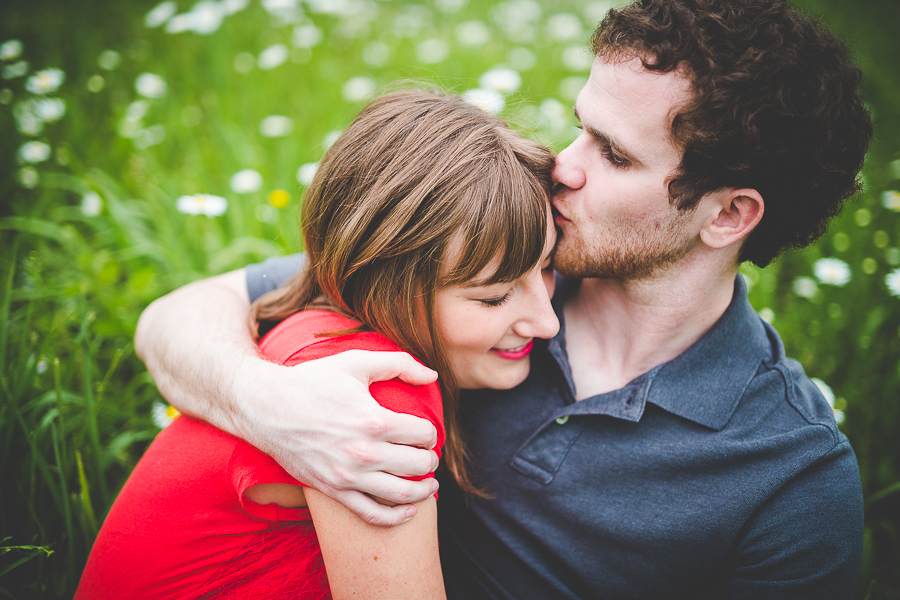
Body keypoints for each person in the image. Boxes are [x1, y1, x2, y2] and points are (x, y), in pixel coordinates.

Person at [135, 0, 873, 597]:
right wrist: (263, 402)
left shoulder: (792, 478)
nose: (563, 166)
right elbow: (176, 316)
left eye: (613, 153)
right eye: (581, 128)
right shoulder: (505, 258)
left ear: (727, 215)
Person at [75, 90, 559, 599]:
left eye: (548, 266)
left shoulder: (326, 322)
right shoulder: (371, 391)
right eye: (494, 297)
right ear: (386, 285)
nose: (546, 322)